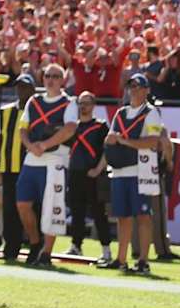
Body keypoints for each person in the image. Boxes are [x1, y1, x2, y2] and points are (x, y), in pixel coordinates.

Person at [16, 63, 78, 267]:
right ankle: (35, 243)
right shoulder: (33, 101)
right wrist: (30, 146)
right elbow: (23, 128)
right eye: (47, 76)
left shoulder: (69, 103)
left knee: (52, 206)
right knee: (22, 203)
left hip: (55, 159)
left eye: (55, 76)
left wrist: (45, 144)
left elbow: (69, 129)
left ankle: (47, 253)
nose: (50, 79)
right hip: (32, 158)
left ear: (62, 80)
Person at [102, 73, 162, 274]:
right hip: (120, 171)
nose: (134, 90)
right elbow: (111, 138)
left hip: (140, 171)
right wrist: (113, 140)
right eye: (131, 86)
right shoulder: (121, 113)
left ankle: (143, 260)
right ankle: (121, 259)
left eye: (138, 86)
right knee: (122, 217)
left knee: (143, 215)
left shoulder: (151, 113)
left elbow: (153, 141)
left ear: (146, 90)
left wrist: (123, 141)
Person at [0, 73, 32, 262]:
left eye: (25, 87)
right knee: (10, 209)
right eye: (19, 86)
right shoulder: (5, 111)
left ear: (32, 89)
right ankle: (11, 248)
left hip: (30, 168)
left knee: (31, 208)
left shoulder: (36, 110)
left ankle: (34, 246)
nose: (21, 90)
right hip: (9, 166)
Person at [65, 92, 112, 263]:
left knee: (99, 213)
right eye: (80, 103)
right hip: (75, 174)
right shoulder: (73, 127)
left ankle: (106, 250)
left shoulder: (100, 126)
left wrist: (98, 169)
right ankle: (76, 246)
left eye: (86, 103)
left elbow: (108, 151)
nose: (83, 106)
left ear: (93, 105)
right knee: (77, 212)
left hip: (93, 175)